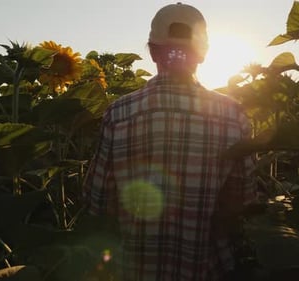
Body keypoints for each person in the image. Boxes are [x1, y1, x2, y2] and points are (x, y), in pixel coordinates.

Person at [82, 3, 257, 280]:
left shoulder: (119, 113)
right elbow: (242, 203)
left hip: (133, 268)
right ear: (203, 54)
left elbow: (99, 202)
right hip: (205, 267)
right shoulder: (232, 115)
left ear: (152, 51)